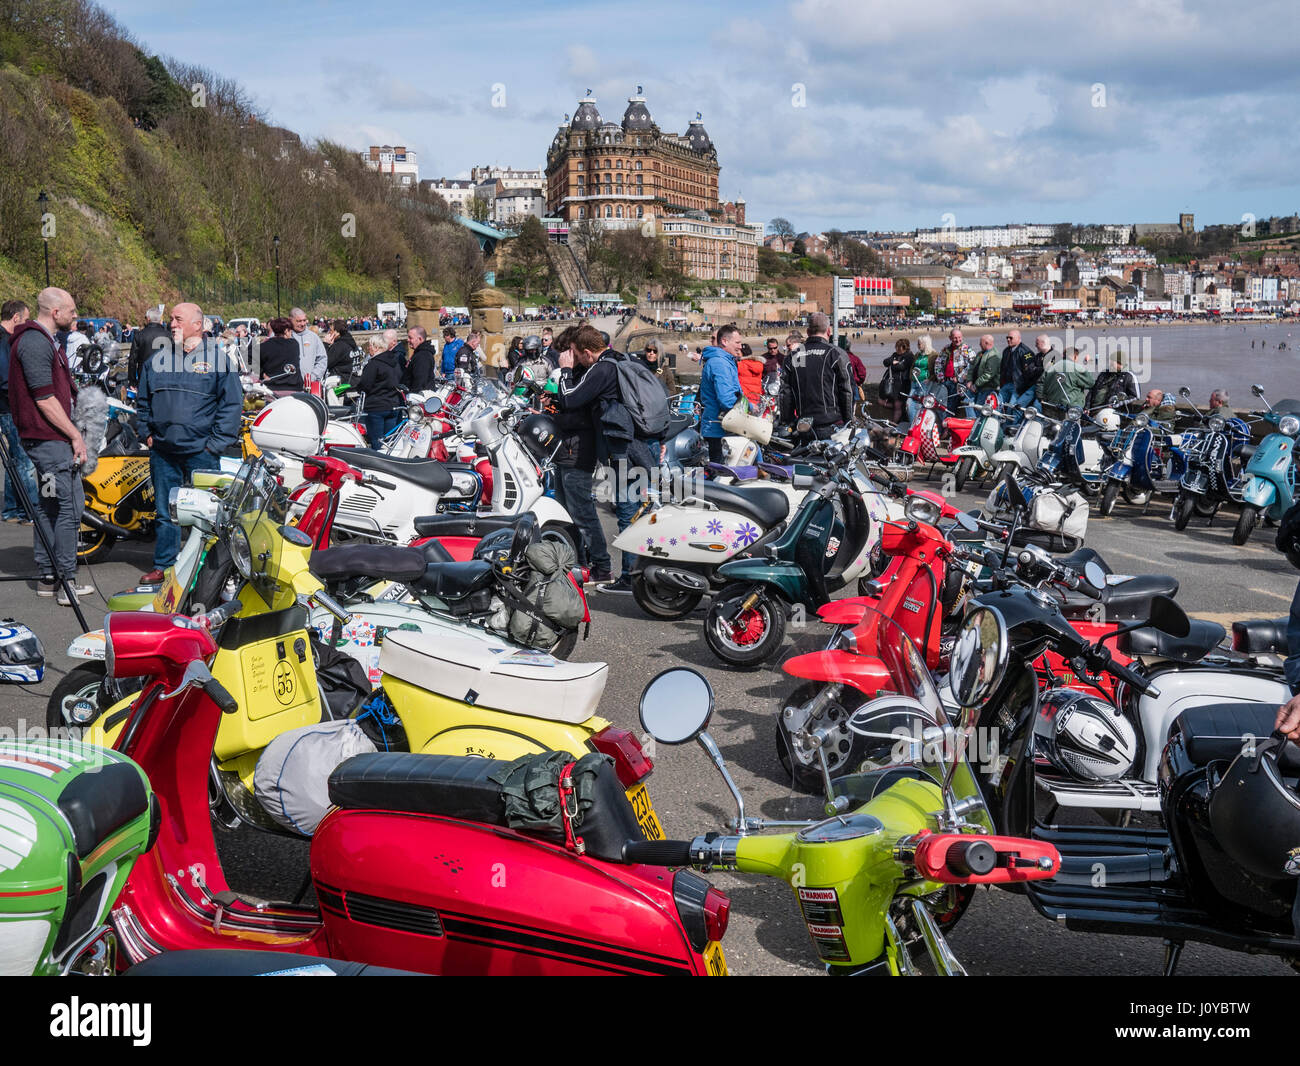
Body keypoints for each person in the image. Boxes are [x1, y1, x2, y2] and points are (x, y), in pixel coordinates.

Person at [134, 302, 242, 584]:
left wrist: (215, 445)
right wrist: (146, 433)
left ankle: (207, 570)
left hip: (202, 452)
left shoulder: (218, 360)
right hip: (164, 451)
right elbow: (142, 401)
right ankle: (165, 566)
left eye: (178, 319)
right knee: (165, 513)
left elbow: (231, 406)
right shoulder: (157, 360)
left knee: (205, 514)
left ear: (197, 324)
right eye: (171, 319)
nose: (172, 324)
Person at [555, 324, 657, 594]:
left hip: (622, 447)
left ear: (587, 352)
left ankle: (630, 576)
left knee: (626, 509)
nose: (574, 359)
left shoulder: (602, 368)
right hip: (631, 444)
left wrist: (565, 370)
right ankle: (635, 574)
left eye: (576, 354)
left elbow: (570, 399)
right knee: (630, 507)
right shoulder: (619, 361)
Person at [7, 288, 91, 603]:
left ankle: (48, 577)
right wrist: (74, 435)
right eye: (71, 310)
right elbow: (44, 398)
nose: (75, 316)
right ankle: (66, 581)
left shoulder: (38, 341)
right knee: (68, 507)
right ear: (55, 312)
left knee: (49, 505)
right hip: (50, 442)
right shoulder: (34, 342)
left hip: (44, 441)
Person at [546, 325, 612, 585]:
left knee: (582, 512)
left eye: (567, 352)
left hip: (578, 451)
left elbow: (578, 413)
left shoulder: (585, 375)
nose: (564, 357)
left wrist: (556, 412)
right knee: (565, 511)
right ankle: (579, 562)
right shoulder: (577, 375)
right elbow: (568, 404)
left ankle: (602, 566)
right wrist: (553, 401)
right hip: (566, 450)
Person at [779, 312, 854, 440]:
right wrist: (848, 421)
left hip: (803, 425)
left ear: (808, 332)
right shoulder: (836, 354)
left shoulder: (793, 356)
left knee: (802, 459)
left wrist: (787, 422)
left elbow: (785, 394)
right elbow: (847, 391)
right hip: (831, 423)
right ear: (829, 331)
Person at [0, 299, 39, 525]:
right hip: (10, 407)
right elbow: (6, 379)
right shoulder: (4, 342)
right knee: (24, 461)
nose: (25, 324)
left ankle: (12, 509)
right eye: (24, 319)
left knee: (14, 460)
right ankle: (30, 510)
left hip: (4, 407)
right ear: (15, 318)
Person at [698, 325, 745, 465]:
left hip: (720, 426)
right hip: (719, 428)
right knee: (722, 476)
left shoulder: (725, 361)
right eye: (737, 343)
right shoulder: (719, 363)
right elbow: (726, 399)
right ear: (725, 341)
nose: (740, 346)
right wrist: (746, 410)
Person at [358, 334, 405, 443]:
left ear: (376, 347)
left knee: (377, 442)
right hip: (393, 405)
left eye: (369, 346)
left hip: (376, 406)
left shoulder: (373, 364)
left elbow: (365, 385)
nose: (368, 348)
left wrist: (358, 389)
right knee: (389, 442)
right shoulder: (395, 362)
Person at [1040, 345, 1096, 413]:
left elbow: (1040, 383)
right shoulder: (1077, 368)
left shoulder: (1051, 367)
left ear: (1063, 355)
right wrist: (1089, 363)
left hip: (1050, 407)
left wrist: (1042, 399)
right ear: (1075, 357)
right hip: (1070, 409)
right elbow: (1091, 383)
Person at [258, 318, 303, 391]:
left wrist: (262, 373)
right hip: (294, 387)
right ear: (286, 331)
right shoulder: (294, 344)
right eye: (290, 330)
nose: (291, 333)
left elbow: (250, 360)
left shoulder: (265, 345)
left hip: (272, 387)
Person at [964, 334, 1001, 416]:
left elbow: (988, 374)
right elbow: (972, 367)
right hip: (974, 386)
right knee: (967, 402)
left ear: (987, 343)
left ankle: (975, 423)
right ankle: (972, 421)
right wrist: (969, 380)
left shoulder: (994, 356)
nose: (979, 345)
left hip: (987, 387)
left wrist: (976, 385)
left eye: (981, 343)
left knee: (979, 408)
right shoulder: (980, 354)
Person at [290, 307, 327, 385]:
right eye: (299, 321)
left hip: (310, 384)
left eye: (304, 320)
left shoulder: (313, 337)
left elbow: (322, 359)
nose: (303, 324)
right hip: (290, 385)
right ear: (290, 320)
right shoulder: (286, 337)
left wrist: (313, 377)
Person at [880, 339, 913, 424]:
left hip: (902, 385)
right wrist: (893, 362)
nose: (897, 349)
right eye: (896, 347)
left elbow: (901, 367)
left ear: (905, 347)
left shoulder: (909, 356)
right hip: (892, 384)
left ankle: (894, 424)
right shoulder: (895, 355)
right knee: (881, 401)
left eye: (899, 347)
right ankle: (899, 417)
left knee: (898, 405)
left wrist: (893, 364)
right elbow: (885, 362)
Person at [404, 326, 439, 392]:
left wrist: (412, 395)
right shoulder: (418, 353)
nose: (407, 340)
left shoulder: (423, 356)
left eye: (410, 338)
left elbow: (420, 381)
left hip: (420, 397)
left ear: (420, 339)